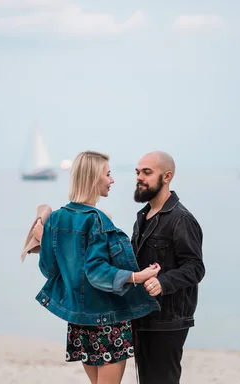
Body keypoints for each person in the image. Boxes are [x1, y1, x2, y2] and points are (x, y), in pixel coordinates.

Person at [33, 150, 162, 384]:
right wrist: (137, 276)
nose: (112, 180)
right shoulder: (97, 219)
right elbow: (95, 271)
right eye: (108, 174)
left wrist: (45, 241)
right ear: (93, 177)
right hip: (108, 322)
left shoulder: (56, 219)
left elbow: (49, 271)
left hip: (80, 321)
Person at [131, 151, 206, 384]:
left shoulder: (181, 219)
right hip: (143, 316)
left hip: (168, 321)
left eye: (147, 172)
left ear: (167, 176)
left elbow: (195, 267)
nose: (139, 178)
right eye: (137, 172)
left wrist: (163, 282)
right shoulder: (143, 217)